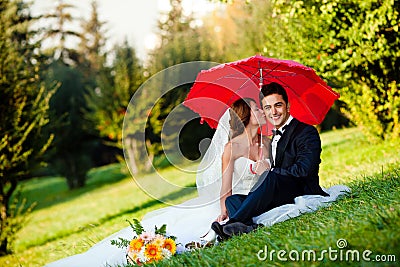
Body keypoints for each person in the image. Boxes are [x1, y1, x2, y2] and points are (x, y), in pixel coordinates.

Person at [44, 97, 269, 267]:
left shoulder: (267, 143)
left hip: (260, 199)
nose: (263, 110)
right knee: (188, 232)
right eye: (257, 108)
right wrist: (225, 209)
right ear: (246, 116)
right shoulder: (233, 147)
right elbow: (225, 187)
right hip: (234, 201)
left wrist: (265, 166)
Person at [211, 82, 330, 239]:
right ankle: (249, 226)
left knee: (270, 176)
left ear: (288, 106)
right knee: (232, 200)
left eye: (278, 105)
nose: (273, 112)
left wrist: (269, 171)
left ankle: (232, 224)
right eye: (267, 107)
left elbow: (303, 170)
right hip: (274, 194)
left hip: (299, 191)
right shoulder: (271, 138)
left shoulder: (306, 132)